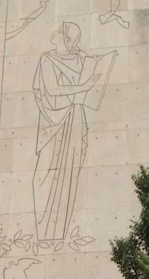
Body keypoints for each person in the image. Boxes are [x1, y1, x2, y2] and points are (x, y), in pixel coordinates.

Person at [31, 22, 105, 241]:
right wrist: (84, 86)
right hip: (53, 122)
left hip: (75, 119)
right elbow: (51, 90)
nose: (54, 34)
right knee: (44, 174)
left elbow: (87, 72)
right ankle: (43, 231)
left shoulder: (79, 59)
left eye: (59, 33)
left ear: (68, 40)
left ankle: (58, 233)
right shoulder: (47, 59)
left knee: (69, 173)